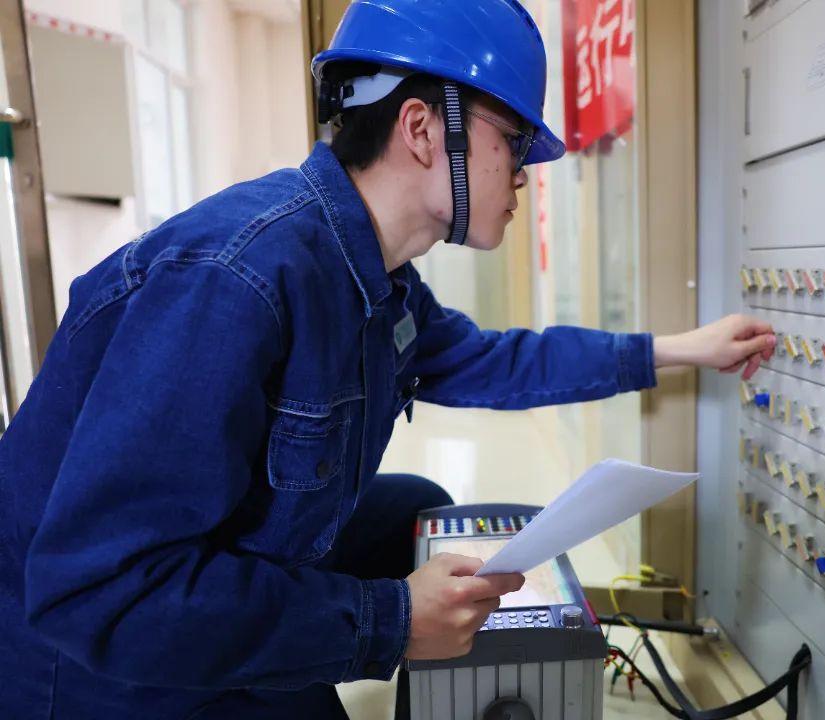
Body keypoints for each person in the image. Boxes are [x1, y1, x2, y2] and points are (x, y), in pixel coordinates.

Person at [0, 1, 775, 717]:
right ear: (423, 129)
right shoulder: (235, 281)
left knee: (415, 505)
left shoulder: (378, 280)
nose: (522, 174)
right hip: (91, 662)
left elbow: (499, 362)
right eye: (512, 141)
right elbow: (102, 594)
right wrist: (391, 622)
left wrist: (681, 350)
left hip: (208, 559)